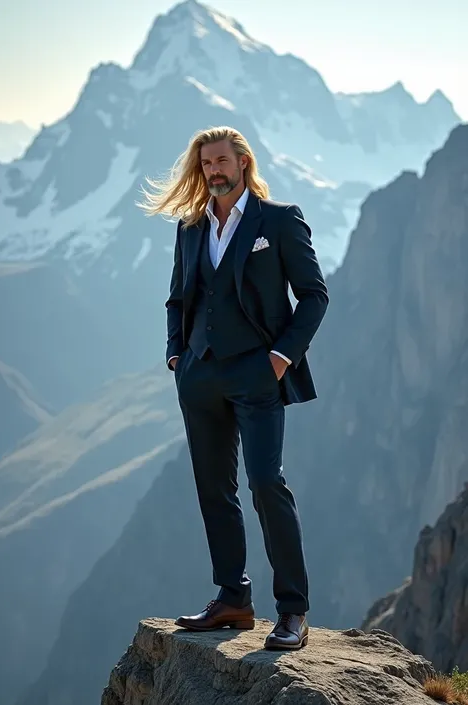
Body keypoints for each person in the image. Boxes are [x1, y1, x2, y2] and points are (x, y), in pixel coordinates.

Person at [138, 125, 329, 650]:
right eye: (206, 164)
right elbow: (178, 297)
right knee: (213, 489)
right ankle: (234, 599)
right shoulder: (192, 225)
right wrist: (177, 354)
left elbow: (314, 296)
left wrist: (280, 358)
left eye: (222, 161)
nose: (214, 171)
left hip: (258, 372)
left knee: (267, 484)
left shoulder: (279, 221)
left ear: (243, 162)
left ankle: (292, 611)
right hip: (199, 373)